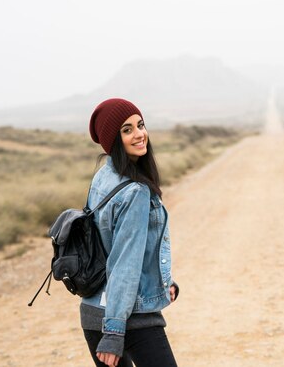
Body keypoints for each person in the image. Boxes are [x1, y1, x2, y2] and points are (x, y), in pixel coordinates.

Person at [81, 98, 179, 367]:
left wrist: (163, 281)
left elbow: (110, 245)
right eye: (127, 130)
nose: (139, 134)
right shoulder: (135, 191)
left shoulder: (104, 175)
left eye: (140, 124)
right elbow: (124, 264)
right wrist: (114, 332)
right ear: (114, 139)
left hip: (93, 311)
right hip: (128, 317)